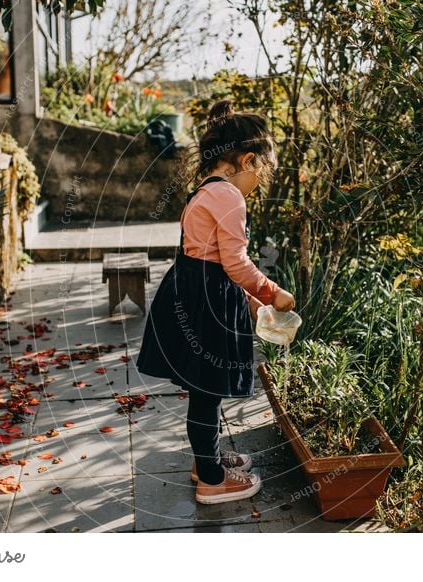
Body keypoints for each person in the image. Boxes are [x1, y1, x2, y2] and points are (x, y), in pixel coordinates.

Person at [135, 99, 296, 505]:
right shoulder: (229, 197)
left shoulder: (204, 190)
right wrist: (270, 293)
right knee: (207, 392)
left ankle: (203, 460)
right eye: (262, 172)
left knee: (203, 390)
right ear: (246, 160)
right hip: (205, 307)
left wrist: (245, 299)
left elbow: (211, 262)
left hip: (193, 295)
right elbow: (236, 263)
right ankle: (210, 478)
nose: (260, 182)